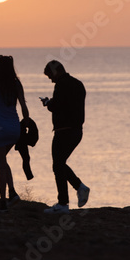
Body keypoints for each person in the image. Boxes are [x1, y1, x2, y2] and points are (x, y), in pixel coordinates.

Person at [41, 60, 89, 214]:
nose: (51, 80)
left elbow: (58, 106)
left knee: (58, 164)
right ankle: (76, 190)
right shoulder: (78, 84)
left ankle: (65, 201)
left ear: (56, 72)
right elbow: (69, 104)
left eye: (50, 76)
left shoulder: (61, 85)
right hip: (77, 131)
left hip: (64, 130)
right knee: (59, 164)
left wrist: (48, 103)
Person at [0, 55, 29, 211]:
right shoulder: (16, 84)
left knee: (0, 164)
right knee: (3, 161)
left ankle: (3, 202)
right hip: (14, 128)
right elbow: (23, 106)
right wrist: (26, 121)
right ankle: (12, 193)